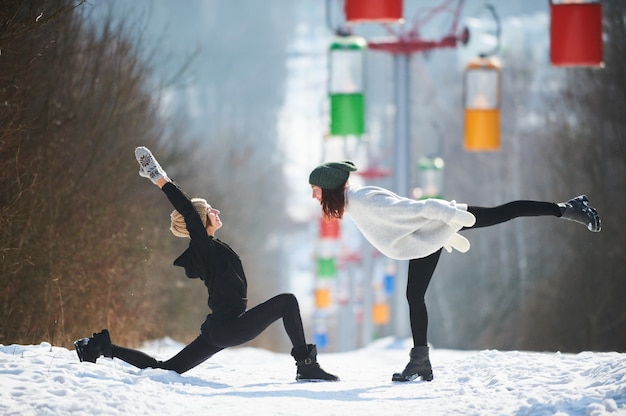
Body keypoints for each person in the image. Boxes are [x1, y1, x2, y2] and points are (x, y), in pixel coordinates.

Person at [308, 160, 601, 383]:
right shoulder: (354, 202)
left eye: (315, 189)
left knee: (504, 212)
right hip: (425, 238)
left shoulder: (363, 200)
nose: (313, 196)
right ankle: (420, 361)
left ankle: (568, 208)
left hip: (440, 222)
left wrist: (451, 217)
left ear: (330, 186)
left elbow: (413, 207)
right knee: (414, 296)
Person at [74, 147, 338, 382]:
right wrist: (160, 178)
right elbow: (189, 211)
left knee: (166, 369)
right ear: (200, 222)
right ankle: (306, 365)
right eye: (211, 211)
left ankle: (100, 348)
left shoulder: (211, 248)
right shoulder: (203, 248)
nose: (217, 212)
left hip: (222, 327)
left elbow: (194, 216)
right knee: (287, 302)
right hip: (230, 325)